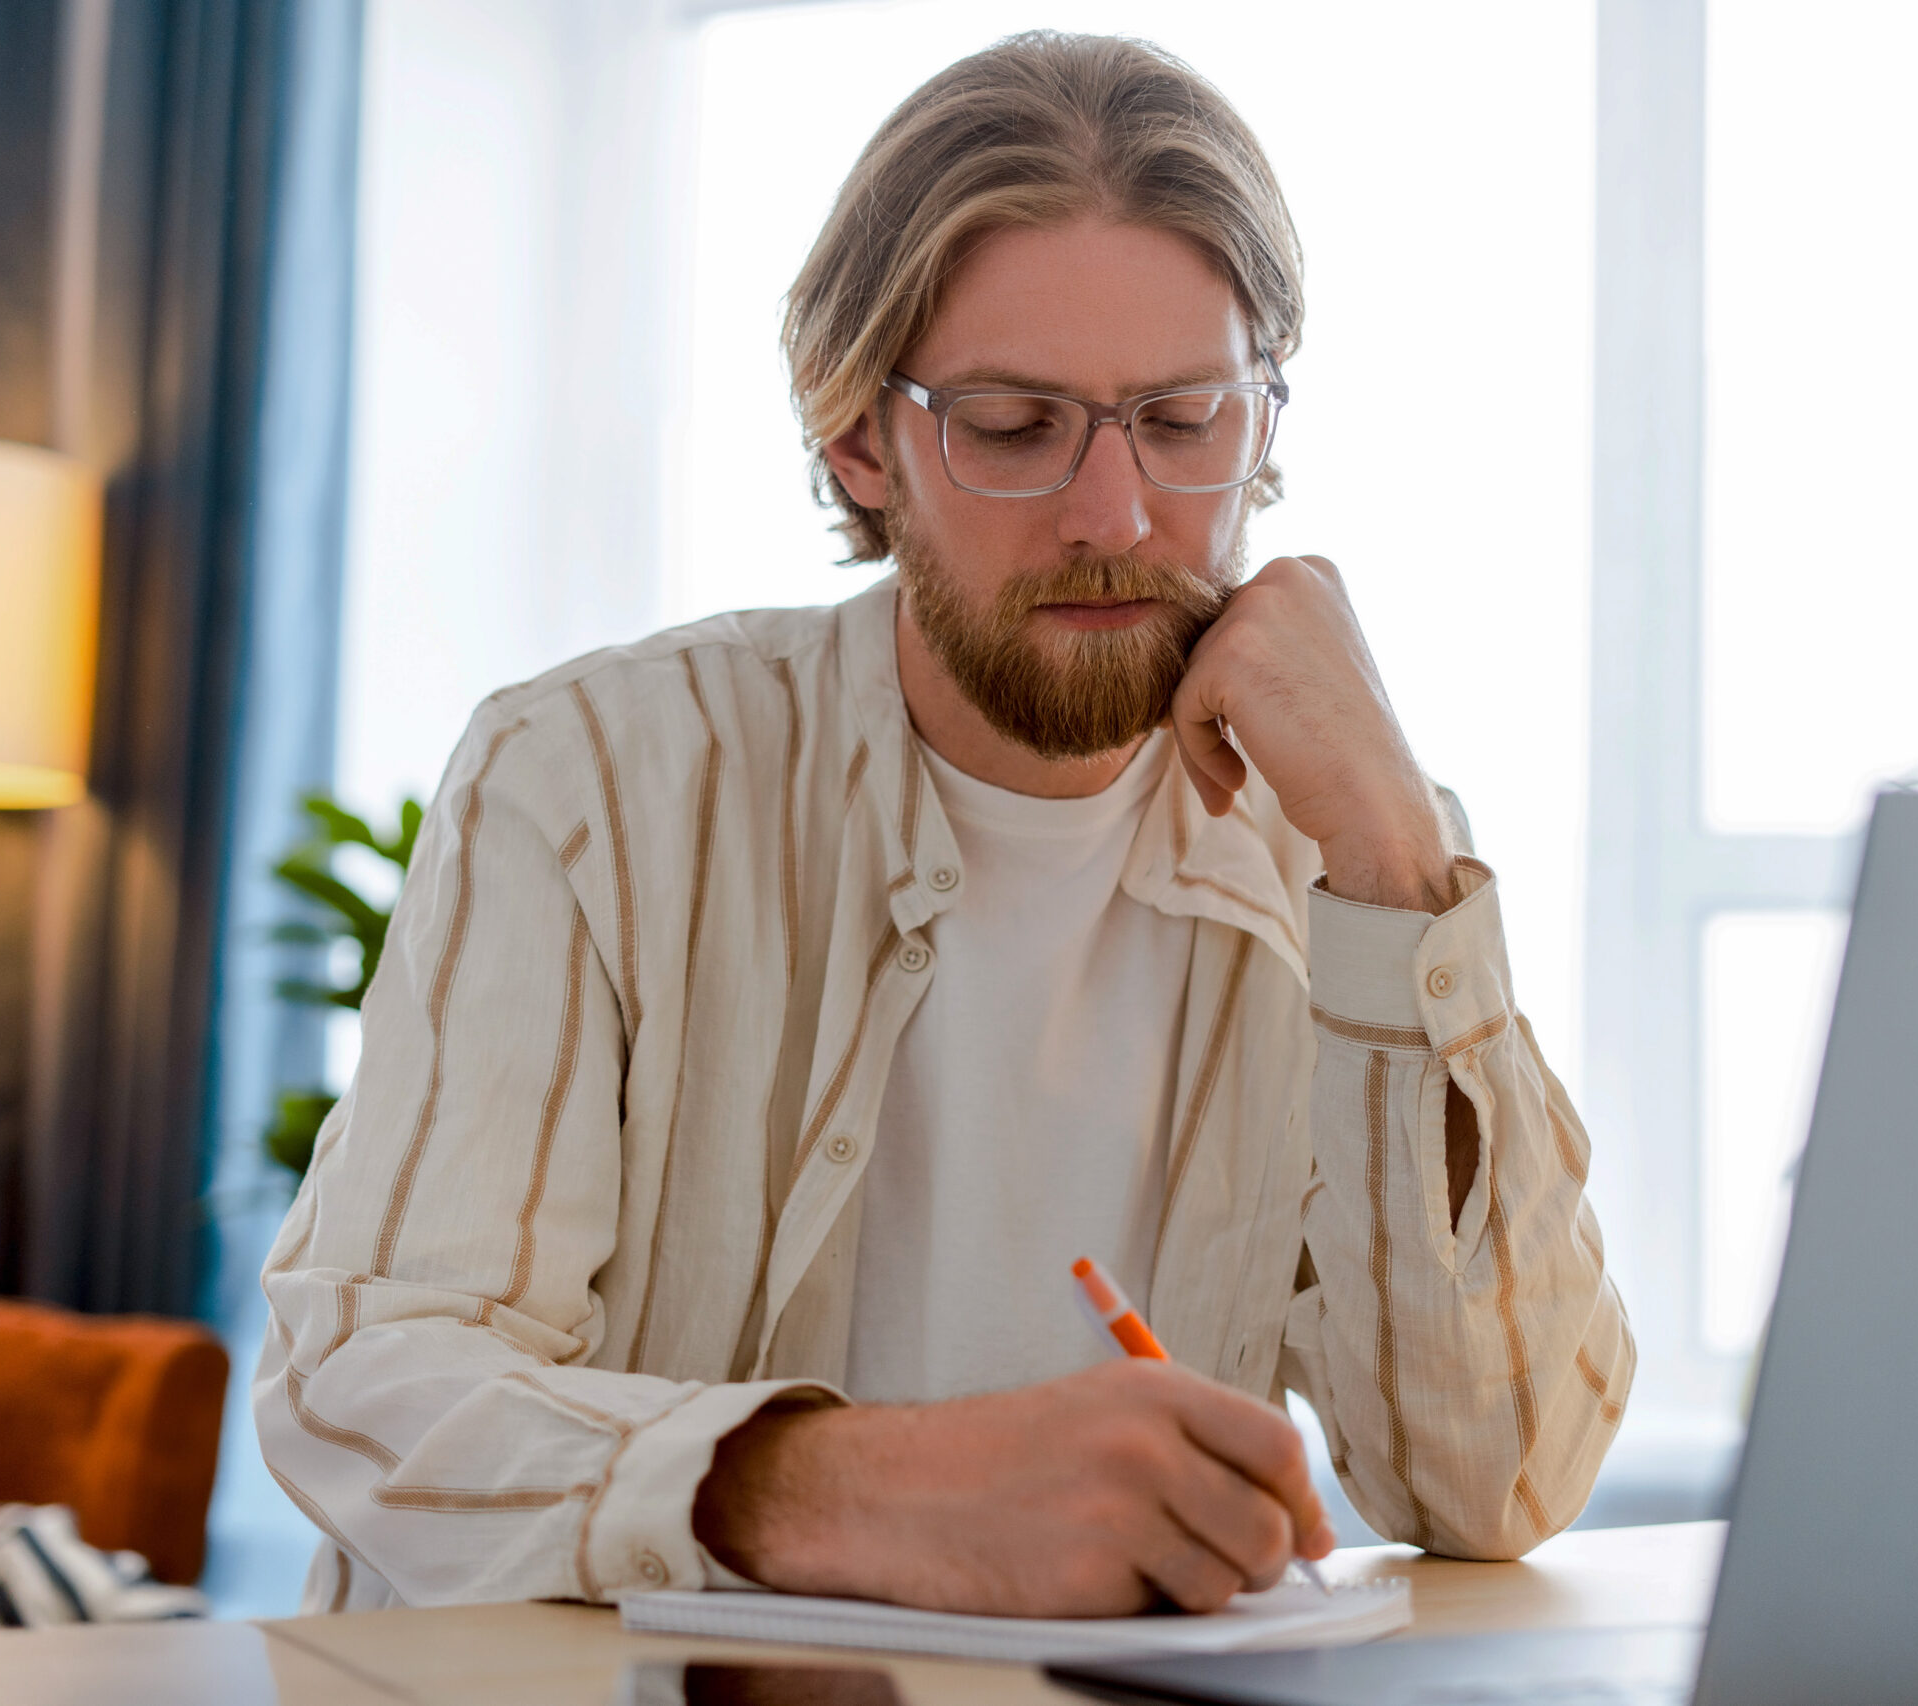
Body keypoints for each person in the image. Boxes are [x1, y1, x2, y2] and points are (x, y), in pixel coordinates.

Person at [256, 30, 1631, 1619]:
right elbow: (365, 1379)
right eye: (1015, 425)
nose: (1115, 514)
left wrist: (1395, 852)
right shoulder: (589, 778)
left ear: (1262, 421)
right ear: (862, 440)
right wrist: (882, 1490)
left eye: (1183, 419)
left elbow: (1498, 1482)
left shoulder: (1344, 843)